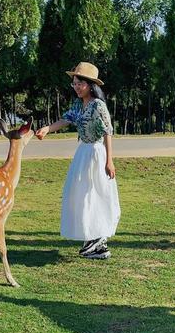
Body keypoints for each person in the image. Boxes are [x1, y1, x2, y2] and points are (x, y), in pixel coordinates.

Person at [36, 62, 120, 259]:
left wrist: (110, 160)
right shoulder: (78, 104)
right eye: (74, 83)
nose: (76, 87)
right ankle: (94, 241)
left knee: (96, 194)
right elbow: (67, 120)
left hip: (96, 153)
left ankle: (98, 238)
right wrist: (47, 129)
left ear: (90, 85)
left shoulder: (98, 106)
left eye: (79, 83)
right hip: (83, 152)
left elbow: (108, 131)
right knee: (80, 195)